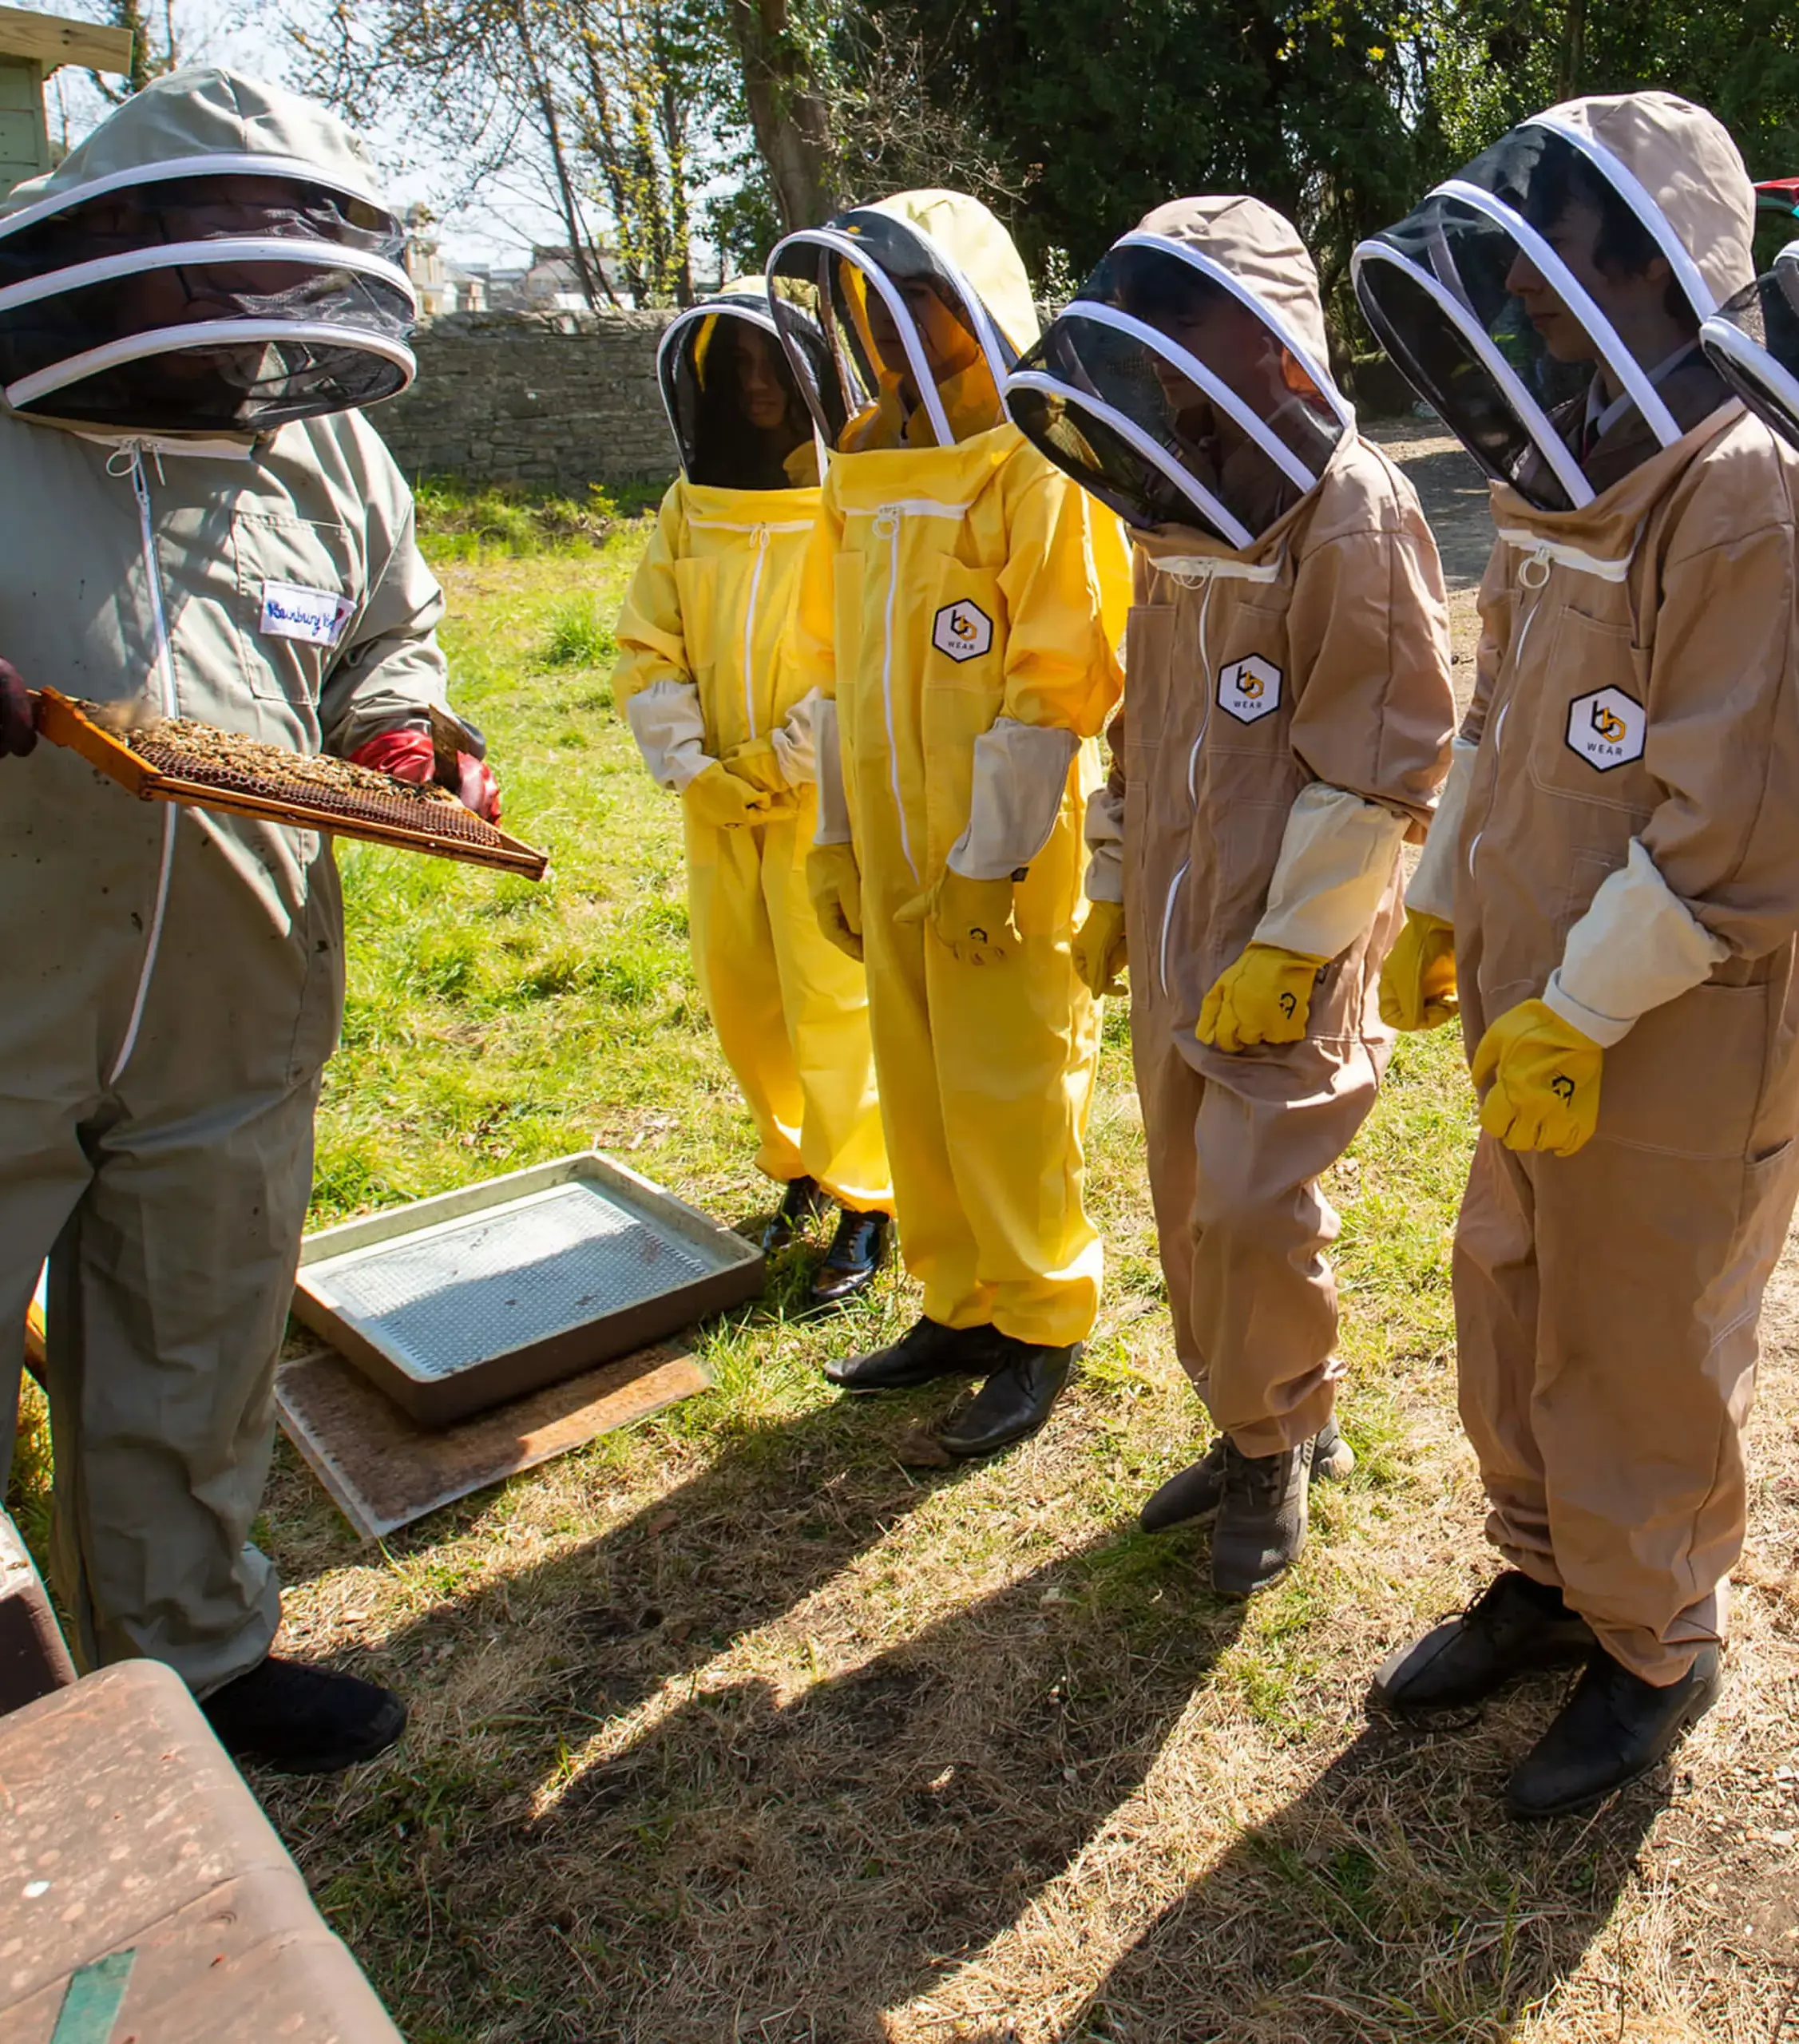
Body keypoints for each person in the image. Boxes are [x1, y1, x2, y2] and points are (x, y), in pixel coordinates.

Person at [0, 67, 501, 1773]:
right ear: (121, 241)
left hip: (230, 986)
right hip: (5, 978)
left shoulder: (325, 452)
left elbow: (387, 626)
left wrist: (401, 729)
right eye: (223, 272)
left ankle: (194, 1661)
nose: (253, 323)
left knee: (195, 1327)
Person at [1354, 91, 1799, 1816]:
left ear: (1656, 263)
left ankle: (1650, 1644)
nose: (1537, 300)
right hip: (1542, 992)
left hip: (1685, 1021)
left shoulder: (1746, 493)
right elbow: (1494, 724)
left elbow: (1733, 830)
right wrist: (1449, 896)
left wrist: (1581, 1003)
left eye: (1575, 255)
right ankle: (1544, 1571)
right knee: (1512, 1279)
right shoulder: (1562, 467)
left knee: (1644, 1321)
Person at [1003, 199, 1454, 1591]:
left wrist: (1296, 939)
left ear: (1265, 347)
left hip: (1290, 935)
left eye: (1185, 327)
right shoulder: (1170, 493)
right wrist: (1114, 875)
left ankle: (1272, 1447)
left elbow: (1381, 754)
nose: (1161, 362)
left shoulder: (1351, 508)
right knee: (1190, 1192)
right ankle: (1254, 1419)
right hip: (1176, 917)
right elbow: (1143, 722)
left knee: (1258, 1207)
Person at [765, 192, 1131, 1457]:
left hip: (1001, 850)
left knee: (1013, 1082)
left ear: (978, 302)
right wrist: (829, 835)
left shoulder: (1039, 456)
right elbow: (828, 662)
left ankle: (1043, 1319)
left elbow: (1056, 676)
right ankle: (959, 1301)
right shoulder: (867, 450)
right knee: (917, 1080)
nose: (896, 328)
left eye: (918, 299)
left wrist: (990, 860)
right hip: (883, 833)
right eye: (875, 304)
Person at [612, 283, 893, 1302]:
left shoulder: (849, 497)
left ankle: (869, 1193)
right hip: (718, 805)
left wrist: (781, 762)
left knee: (833, 1000)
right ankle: (801, 1165)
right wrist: (692, 764)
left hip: (815, 800)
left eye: (777, 366)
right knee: (746, 994)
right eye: (739, 370)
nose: (760, 386)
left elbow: (859, 653)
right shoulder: (691, 507)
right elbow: (648, 641)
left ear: (813, 376)